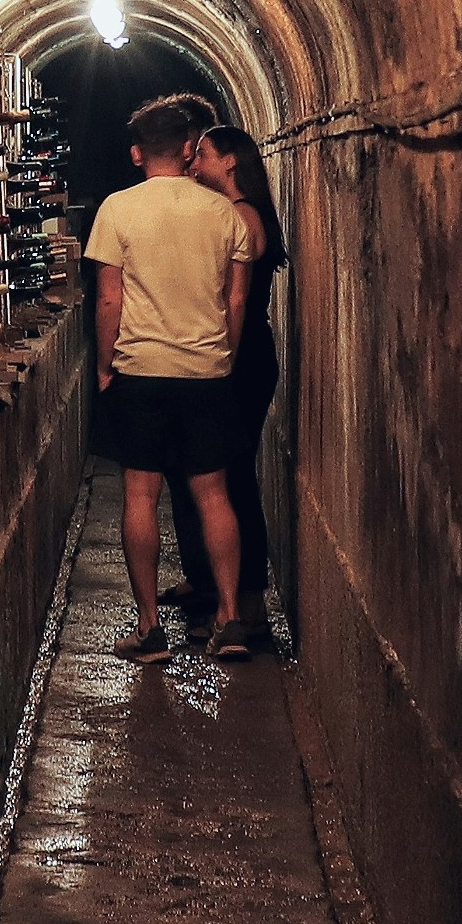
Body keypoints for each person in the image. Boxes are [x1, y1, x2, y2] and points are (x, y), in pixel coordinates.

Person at [82, 93, 259, 662]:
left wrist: (106, 366)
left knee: (141, 493)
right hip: (207, 370)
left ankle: (150, 627)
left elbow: (108, 299)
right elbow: (236, 301)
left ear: (137, 152)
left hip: (142, 370)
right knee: (213, 493)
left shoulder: (117, 209)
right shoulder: (223, 213)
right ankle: (230, 618)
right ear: (188, 149)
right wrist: (222, 359)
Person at [174, 120, 282, 645]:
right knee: (230, 477)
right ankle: (234, 601)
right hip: (244, 354)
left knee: (234, 480)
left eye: (204, 157)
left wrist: (223, 362)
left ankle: (246, 608)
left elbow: (231, 297)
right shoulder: (244, 212)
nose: (195, 167)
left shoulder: (241, 217)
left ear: (230, 161)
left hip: (240, 357)